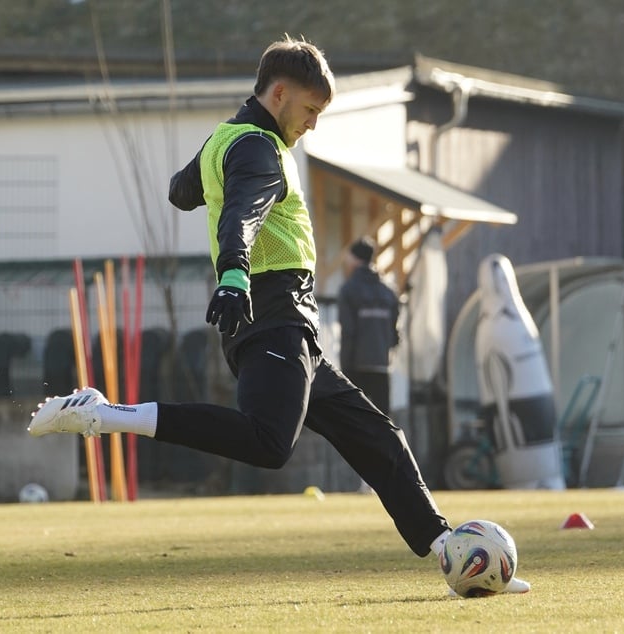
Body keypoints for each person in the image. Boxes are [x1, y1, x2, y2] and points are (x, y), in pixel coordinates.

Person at [27, 36, 528, 595]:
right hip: (271, 314)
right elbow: (241, 214)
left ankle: (449, 548)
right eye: (311, 110)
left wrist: (216, 161)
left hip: (291, 326)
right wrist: (235, 273)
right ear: (281, 93)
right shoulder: (261, 149)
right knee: (269, 444)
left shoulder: (231, 139)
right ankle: (104, 413)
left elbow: (180, 192)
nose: (313, 123)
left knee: (378, 437)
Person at [337, 235, 400, 416]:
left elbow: (348, 331)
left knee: (356, 421)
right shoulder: (388, 291)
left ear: (356, 259)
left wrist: (344, 369)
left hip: (356, 366)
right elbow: (395, 334)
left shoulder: (348, 289)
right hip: (382, 364)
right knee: (382, 421)